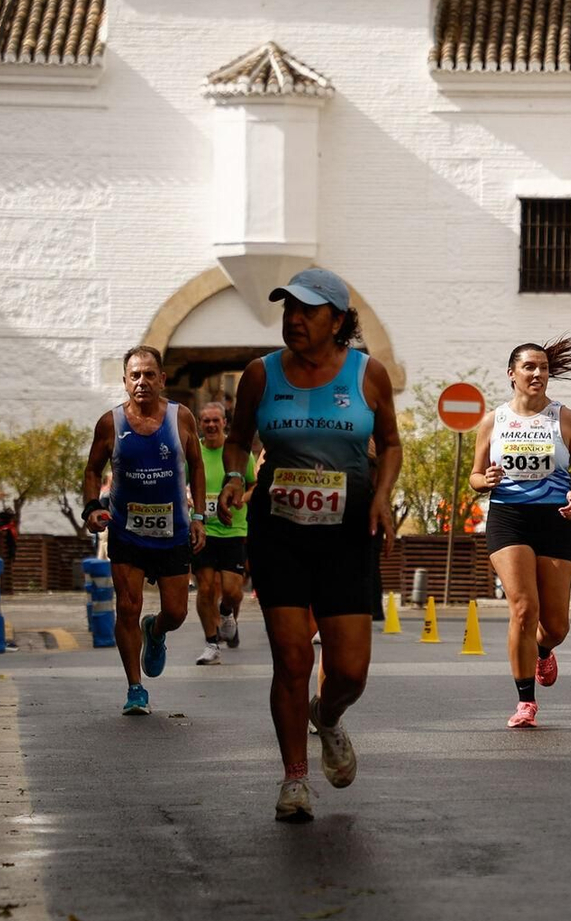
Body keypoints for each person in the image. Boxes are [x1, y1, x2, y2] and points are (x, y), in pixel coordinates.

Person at [220, 268, 402, 823]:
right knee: (292, 658)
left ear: (338, 320)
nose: (293, 319)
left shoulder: (367, 374)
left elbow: (391, 443)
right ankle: (294, 779)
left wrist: (382, 494)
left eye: (307, 310)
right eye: (287, 309)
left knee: (350, 672)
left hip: (347, 532)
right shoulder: (260, 374)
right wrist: (233, 476)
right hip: (280, 530)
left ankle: (328, 716)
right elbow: (236, 440)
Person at [468, 337, 571, 729]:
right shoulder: (494, 420)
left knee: (555, 625)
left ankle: (544, 650)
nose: (538, 373)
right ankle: (525, 701)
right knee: (524, 608)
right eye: (529, 367)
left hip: (557, 519)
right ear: (512, 374)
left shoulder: (564, 418)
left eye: (542, 367)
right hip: (510, 517)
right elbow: (474, 476)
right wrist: (484, 480)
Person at [82, 345, 208, 716]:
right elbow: (92, 470)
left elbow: (198, 467)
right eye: (134, 375)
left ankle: (156, 631)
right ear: (124, 382)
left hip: (172, 533)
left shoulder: (181, 418)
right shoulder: (110, 423)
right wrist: (92, 508)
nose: (142, 382)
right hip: (126, 530)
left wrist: (199, 516)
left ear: (162, 379)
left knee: (177, 612)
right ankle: (135, 688)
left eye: (149, 374)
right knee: (127, 607)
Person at [192, 402, 255, 665]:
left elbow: (253, 484)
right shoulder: (193, 451)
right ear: (200, 424)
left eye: (215, 420)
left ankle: (227, 611)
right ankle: (211, 644)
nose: (211, 425)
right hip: (205, 529)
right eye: (206, 421)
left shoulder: (238, 453)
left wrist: (243, 498)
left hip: (233, 528)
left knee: (231, 590)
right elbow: (182, 481)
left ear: (224, 423)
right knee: (205, 588)